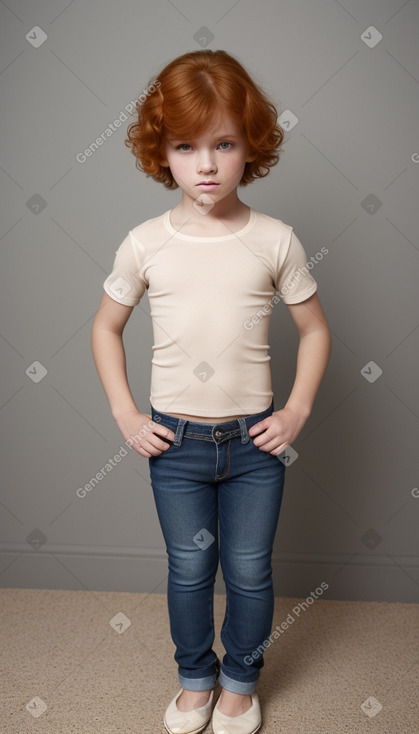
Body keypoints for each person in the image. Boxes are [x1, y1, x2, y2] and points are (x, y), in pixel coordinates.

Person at [91, 49, 332, 734]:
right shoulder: (145, 243)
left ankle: (239, 681)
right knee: (191, 569)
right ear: (159, 152)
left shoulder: (274, 240)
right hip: (177, 444)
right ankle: (195, 677)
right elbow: (105, 329)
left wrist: (296, 410)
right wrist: (125, 413)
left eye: (223, 144)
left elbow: (314, 332)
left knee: (250, 571)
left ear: (248, 145)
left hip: (255, 446)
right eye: (185, 146)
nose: (205, 164)